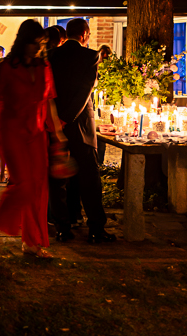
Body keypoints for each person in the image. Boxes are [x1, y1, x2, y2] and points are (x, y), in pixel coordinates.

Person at [0, 20, 59, 258]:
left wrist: (58, 133)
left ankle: (32, 243)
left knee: (39, 188)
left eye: (42, 44)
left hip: (37, 134)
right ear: (23, 43)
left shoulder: (43, 67)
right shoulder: (7, 67)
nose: (38, 49)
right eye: (34, 44)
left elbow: (49, 101)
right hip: (12, 132)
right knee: (24, 184)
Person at [47, 18, 116, 245]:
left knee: (56, 179)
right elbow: (85, 91)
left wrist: (58, 119)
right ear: (85, 34)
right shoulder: (91, 56)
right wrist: (68, 118)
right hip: (80, 126)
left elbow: (50, 90)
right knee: (90, 178)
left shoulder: (52, 55)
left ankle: (62, 228)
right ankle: (96, 228)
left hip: (54, 122)